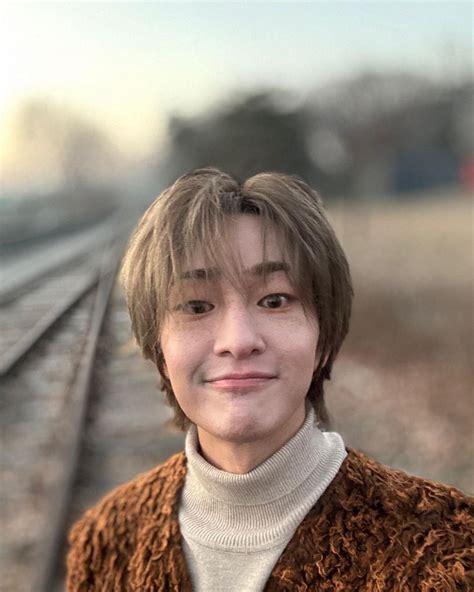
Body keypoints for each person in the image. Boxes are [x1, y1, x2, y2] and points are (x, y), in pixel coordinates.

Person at [67, 168, 473, 591]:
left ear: (324, 337)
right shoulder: (107, 546)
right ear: (157, 347)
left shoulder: (446, 552)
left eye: (275, 300)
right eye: (196, 306)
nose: (238, 341)